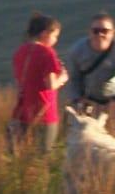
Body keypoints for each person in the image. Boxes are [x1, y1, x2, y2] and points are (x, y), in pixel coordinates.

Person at [66, 13, 115, 144]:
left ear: (113, 33)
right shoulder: (77, 51)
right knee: (94, 141)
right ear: (89, 33)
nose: (100, 35)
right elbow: (73, 79)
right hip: (92, 99)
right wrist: (77, 100)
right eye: (96, 31)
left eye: (105, 31)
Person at [8, 13, 69, 156]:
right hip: (45, 111)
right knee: (43, 156)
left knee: (22, 155)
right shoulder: (47, 53)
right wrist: (63, 78)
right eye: (55, 36)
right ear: (45, 34)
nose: (55, 40)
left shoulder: (20, 51)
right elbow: (50, 84)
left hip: (23, 110)